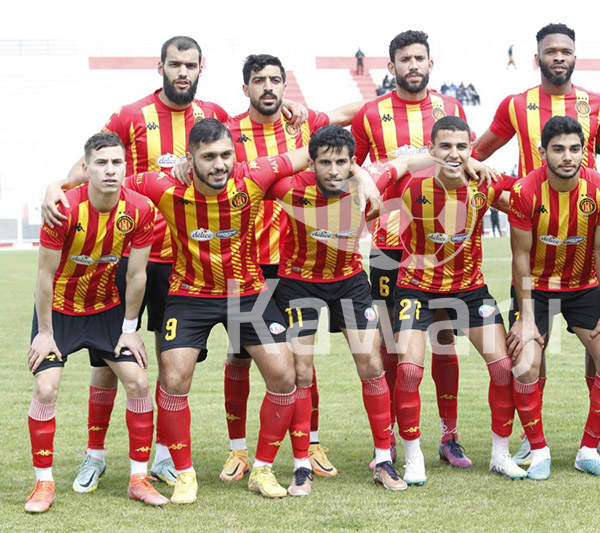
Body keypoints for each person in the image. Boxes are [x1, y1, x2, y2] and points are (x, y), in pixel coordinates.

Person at [43, 119, 380, 503]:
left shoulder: (254, 175)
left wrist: (361, 174)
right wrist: (57, 186)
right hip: (191, 294)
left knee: (284, 374)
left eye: (225, 155)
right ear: (190, 160)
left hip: (247, 292)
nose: (219, 165)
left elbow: (317, 153)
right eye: (208, 157)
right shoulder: (163, 185)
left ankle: (262, 469)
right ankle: (185, 475)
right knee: (174, 377)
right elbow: (107, 179)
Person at [58, 36, 229, 488]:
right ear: (160, 67)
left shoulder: (214, 114)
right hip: (128, 257)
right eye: (175, 64)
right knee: (107, 359)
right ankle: (94, 455)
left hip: (183, 264)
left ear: (201, 67)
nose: (182, 73)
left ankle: (162, 457)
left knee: (169, 362)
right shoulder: (132, 115)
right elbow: (90, 163)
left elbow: (239, 160)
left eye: (190, 65)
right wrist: (57, 187)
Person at [474, 22, 600, 466]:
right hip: (534, 231)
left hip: (583, 239)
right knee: (530, 353)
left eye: (566, 50)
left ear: (575, 57)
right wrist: (489, 186)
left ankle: (598, 436)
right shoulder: (516, 105)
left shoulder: (597, 104)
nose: (559, 57)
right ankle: (533, 438)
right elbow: (478, 155)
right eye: (551, 51)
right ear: (538, 58)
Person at [220, 53, 367, 482]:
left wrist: (364, 174)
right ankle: (238, 449)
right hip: (246, 264)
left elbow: (360, 111)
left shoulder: (304, 123)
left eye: (275, 80)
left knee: (303, 358)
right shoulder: (229, 131)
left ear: (285, 86)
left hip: (295, 265)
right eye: (259, 80)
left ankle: (311, 442)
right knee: (239, 357)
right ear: (245, 87)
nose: (267, 87)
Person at [267, 126, 436, 494]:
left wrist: (461, 159)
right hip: (299, 283)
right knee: (301, 371)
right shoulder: (289, 187)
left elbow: (412, 161)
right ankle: (301, 466)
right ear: (311, 163)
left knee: (372, 365)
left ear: (353, 162)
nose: (333, 170)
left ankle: (383, 460)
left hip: (349, 282)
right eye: (324, 163)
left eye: (341, 162)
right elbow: (246, 177)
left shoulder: (369, 177)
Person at [384, 116, 530, 485]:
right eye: (445, 146)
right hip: (416, 287)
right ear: (431, 149)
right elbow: (373, 179)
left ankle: (500, 455)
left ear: (471, 150)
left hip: (469, 288)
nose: (453, 153)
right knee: (409, 371)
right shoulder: (411, 184)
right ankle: (413, 457)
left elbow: (532, 190)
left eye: (461, 147)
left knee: (503, 367)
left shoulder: (484, 184)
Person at [25, 133, 166, 513]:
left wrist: (129, 329)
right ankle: (43, 484)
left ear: (125, 167)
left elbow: (137, 275)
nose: (110, 170)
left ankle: (138, 479)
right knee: (46, 388)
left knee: (139, 382)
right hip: (59, 311)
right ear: (86, 168)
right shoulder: (63, 209)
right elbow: (44, 274)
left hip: (106, 309)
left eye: (117, 162)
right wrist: (44, 333)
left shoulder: (141, 210)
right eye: (101, 163)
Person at [351, 30, 473, 468]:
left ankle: (449, 435)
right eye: (405, 59)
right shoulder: (371, 114)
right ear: (392, 67)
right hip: (389, 245)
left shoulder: (450, 108)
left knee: (443, 339)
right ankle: (388, 437)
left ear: (430, 63)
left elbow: (464, 163)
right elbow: (355, 168)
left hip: (438, 244)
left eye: (420, 58)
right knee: (391, 343)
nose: (413, 65)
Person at [507, 116, 600, 479]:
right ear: (543, 152)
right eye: (558, 149)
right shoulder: (524, 191)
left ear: (584, 151)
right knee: (526, 363)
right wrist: (526, 318)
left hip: (582, 287)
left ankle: (590, 448)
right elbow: (520, 257)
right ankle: (537, 447)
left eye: (574, 149)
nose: (567, 156)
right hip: (536, 289)